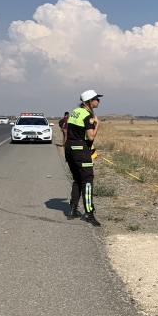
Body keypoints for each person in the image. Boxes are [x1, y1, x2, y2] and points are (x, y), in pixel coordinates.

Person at [65, 90, 103, 226]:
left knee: (77, 179)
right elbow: (91, 136)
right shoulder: (87, 115)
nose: (98, 101)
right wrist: (97, 124)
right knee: (87, 180)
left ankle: (73, 210)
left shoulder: (75, 111)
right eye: (96, 99)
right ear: (89, 101)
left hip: (69, 148)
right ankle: (89, 213)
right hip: (80, 150)